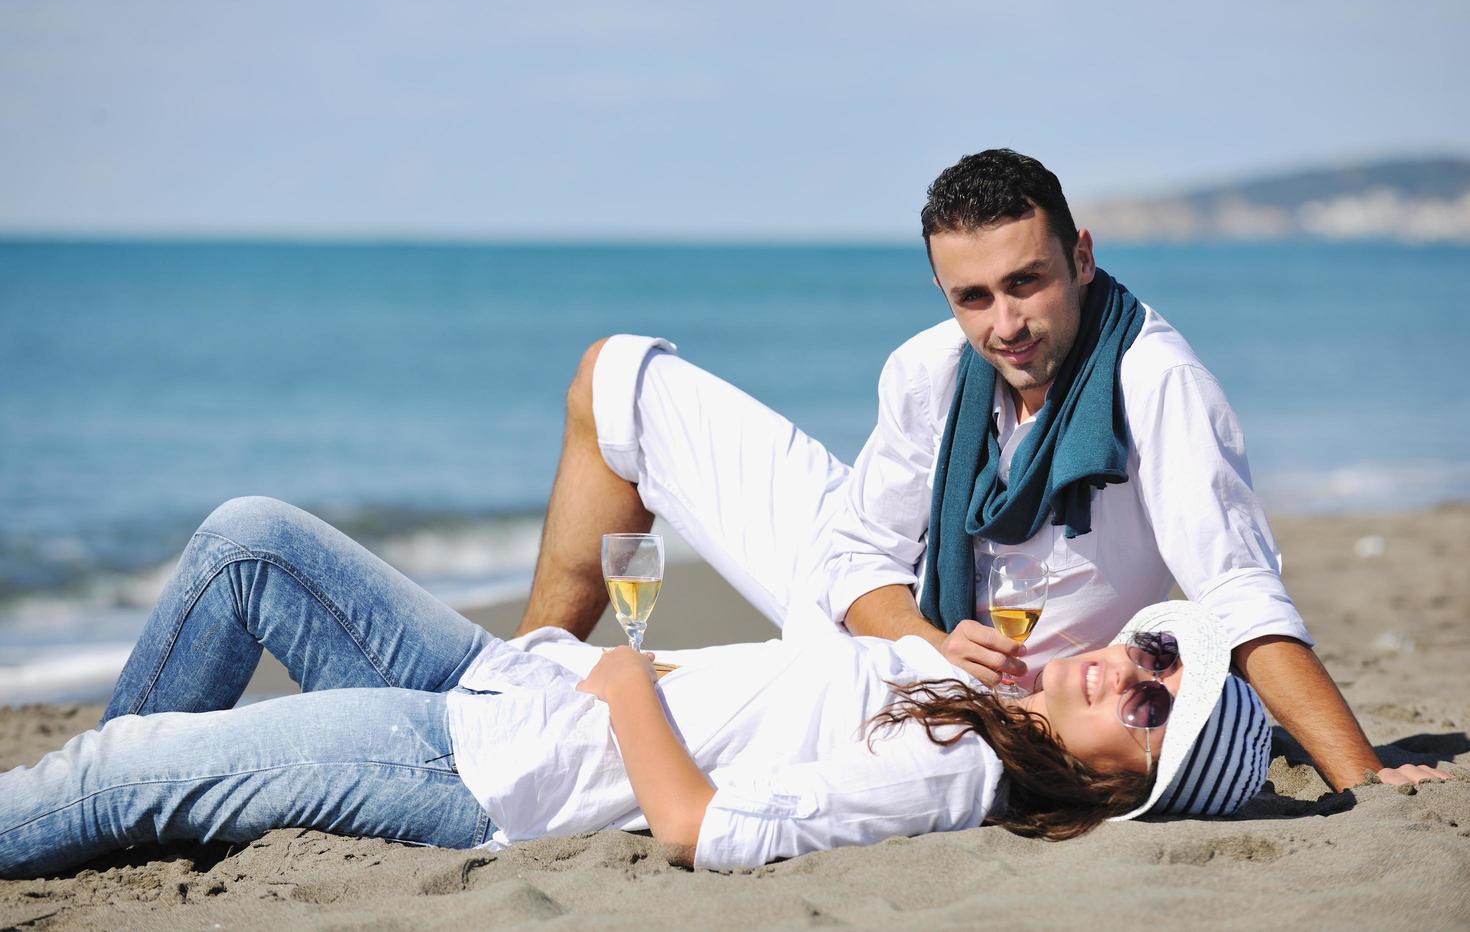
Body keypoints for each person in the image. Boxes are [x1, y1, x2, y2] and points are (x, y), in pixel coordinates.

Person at [513, 148, 1452, 791]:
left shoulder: (1157, 380)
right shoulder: (931, 369)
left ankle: (531, 716)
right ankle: (520, 679)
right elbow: (850, 555)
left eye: (1026, 282)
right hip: (906, 633)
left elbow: (1238, 592)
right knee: (617, 377)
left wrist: (1360, 776)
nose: (1004, 323)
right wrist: (924, 633)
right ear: (942, 291)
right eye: (973, 296)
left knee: (697, 697)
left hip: (1000, 701)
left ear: (1080, 257)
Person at [3, 497, 1269, 878]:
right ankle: (131, 804)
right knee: (250, 541)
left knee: (112, 770)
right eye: (1157, 652)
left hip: (484, 763)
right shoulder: (978, 698)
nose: (1135, 668)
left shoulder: (958, 767)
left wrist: (626, 687)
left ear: (1120, 785)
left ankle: (111, 798)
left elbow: (706, 828)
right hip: (511, 681)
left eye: (1154, 705)